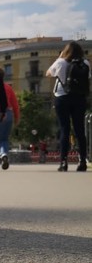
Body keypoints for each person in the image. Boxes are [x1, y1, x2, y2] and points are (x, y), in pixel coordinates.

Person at [45, 40, 89, 172]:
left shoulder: (61, 62)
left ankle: (63, 162)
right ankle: (82, 161)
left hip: (62, 98)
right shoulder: (85, 63)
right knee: (80, 130)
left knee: (64, 129)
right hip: (79, 98)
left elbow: (48, 73)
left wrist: (60, 58)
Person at [0, 68, 20, 171]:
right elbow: (15, 104)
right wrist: (17, 118)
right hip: (8, 114)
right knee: (3, 139)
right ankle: (4, 154)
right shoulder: (8, 87)